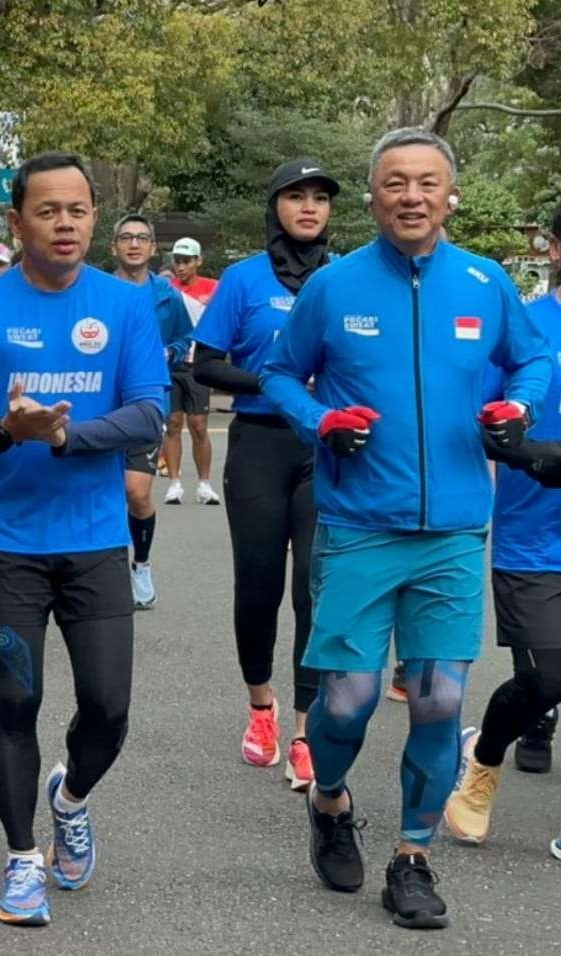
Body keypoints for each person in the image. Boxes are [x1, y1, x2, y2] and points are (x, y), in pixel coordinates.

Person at [260, 128, 549, 930]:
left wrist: (516, 407)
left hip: (455, 530)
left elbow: (532, 362)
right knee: (348, 701)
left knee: (437, 698)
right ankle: (328, 800)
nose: (412, 196)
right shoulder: (335, 285)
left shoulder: (487, 284)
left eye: (427, 182)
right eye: (395, 183)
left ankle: (413, 856)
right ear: (376, 194)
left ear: (449, 193)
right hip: (358, 524)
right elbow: (281, 373)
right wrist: (322, 420)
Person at [0, 152, 167, 927]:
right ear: (17, 222)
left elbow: (148, 414)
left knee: (108, 709)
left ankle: (71, 798)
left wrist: (63, 436)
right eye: (48, 210)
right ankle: (22, 856)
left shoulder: (126, 307)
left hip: (96, 541)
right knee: (15, 699)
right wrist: (3, 428)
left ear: (94, 219)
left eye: (78, 210)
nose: (65, 222)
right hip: (6, 543)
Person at [191, 159, 340, 791]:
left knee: (314, 588)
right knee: (258, 588)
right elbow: (206, 365)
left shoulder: (345, 278)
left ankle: (306, 729)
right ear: (274, 206)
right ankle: (261, 709)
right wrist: (277, 383)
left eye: (319, 198)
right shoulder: (243, 280)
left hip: (324, 449)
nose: (308, 208)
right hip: (256, 443)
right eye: (295, 196)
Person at [443, 202, 561, 844]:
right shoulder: (526, 326)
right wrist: (534, 453)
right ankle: (484, 758)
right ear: (554, 249)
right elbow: (480, 421)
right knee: (546, 676)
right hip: (535, 535)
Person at [109, 215, 193, 609]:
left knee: (136, 491)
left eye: (142, 238)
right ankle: (101, 570)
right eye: (126, 238)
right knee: (101, 489)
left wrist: (170, 353)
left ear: (153, 247)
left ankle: (140, 564)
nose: (134, 244)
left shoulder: (166, 295)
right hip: (100, 401)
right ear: (114, 247)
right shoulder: (96, 290)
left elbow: (183, 336)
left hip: (146, 401)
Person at [160, 237, 221, 505]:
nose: (181, 266)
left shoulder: (214, 288)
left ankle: (204, 485)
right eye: (177, 261)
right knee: (173, 424)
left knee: (198, 425)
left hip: (198, 365)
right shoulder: (166, 289)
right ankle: (174, 483)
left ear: (198, 261)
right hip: (172, 363)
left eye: (187, 261)